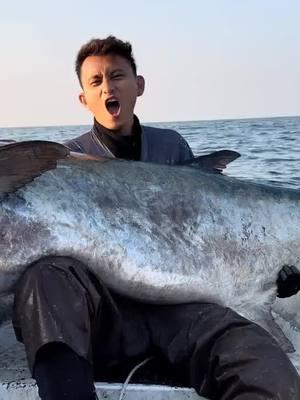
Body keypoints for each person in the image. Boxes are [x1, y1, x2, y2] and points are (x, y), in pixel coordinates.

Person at [12, 36, 300, 400]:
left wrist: (276, 272)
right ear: (84, 98)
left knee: (262, 364)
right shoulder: (61, 162)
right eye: (96, 82)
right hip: (107, 316)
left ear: (139, 85)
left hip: (182, 313)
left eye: (117, 76)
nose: (108, 88)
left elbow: (211, 231)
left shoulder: (172, 147)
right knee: (45, 277)